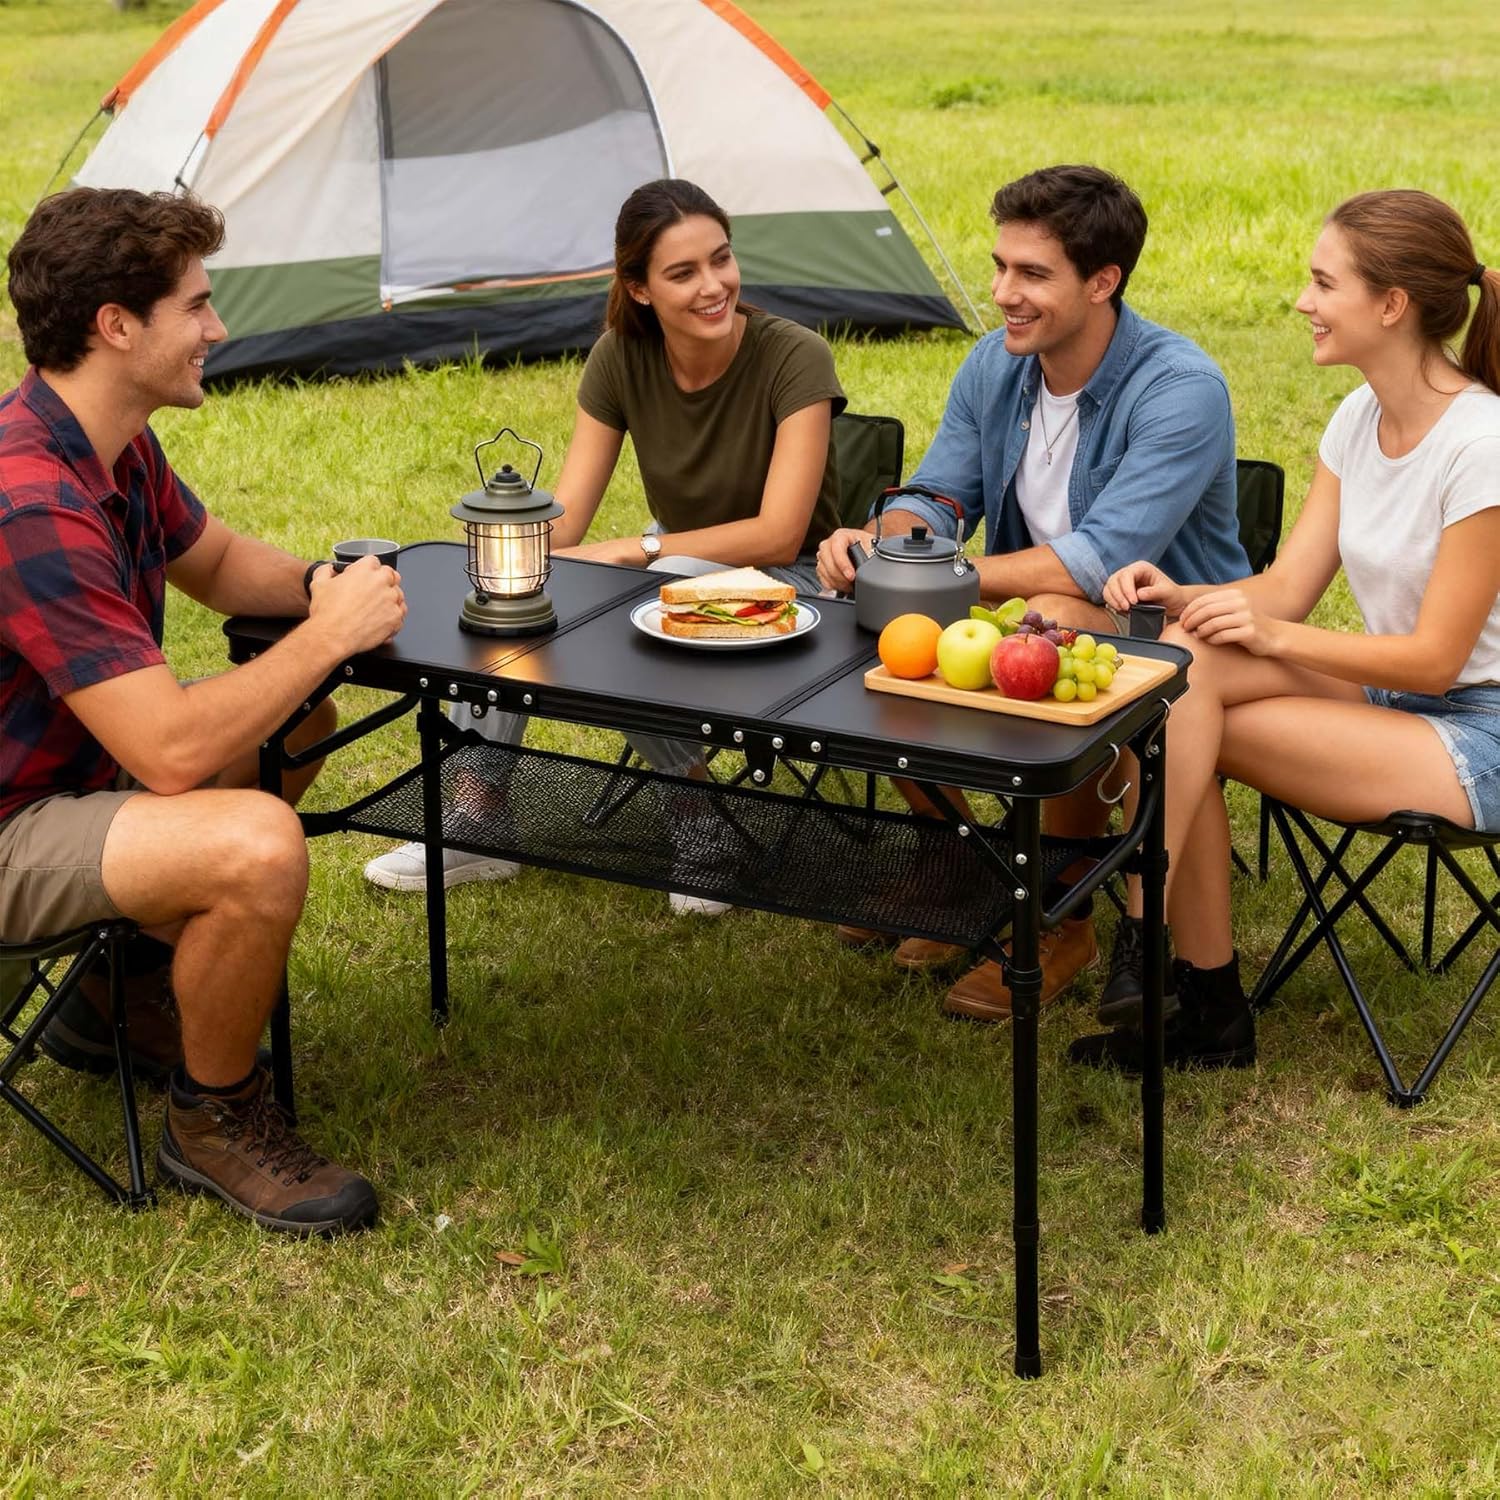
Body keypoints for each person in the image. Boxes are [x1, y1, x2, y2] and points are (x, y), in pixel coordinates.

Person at [0, 188, 407, 1235]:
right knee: (255, 846)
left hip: (68, 786)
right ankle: (211, 1121)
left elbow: (219, 564)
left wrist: (326, 583)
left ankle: (115, 992)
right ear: (117, 326)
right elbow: (173, 753)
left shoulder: (111, 442)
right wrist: (331, 635)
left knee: (296, 718)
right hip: (9, 828)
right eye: (197, 305)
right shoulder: (30, 500)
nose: (216, 329)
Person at [1069, 189, 1500, 1073]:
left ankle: (1158, 949)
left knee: (1188, 701)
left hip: (1481, 731)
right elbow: (1285, 590)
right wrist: (1183, 594)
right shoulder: (1355, 420)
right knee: (1182, 675)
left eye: (1321, 282)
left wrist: (1268, 640)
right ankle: (1196, 992)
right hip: (1399, 702)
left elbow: (1434, 659)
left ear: (1392, 305)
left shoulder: (1481, 444)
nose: (1302, 302)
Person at [815, 164, 1248, 1021]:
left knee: (1060, 619)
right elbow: (939, 493)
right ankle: (967, 867)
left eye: (1032, 275)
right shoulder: (995, 365)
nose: (1002, 293)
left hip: (1180, 633)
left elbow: (1101, 560)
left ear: (1103, 281)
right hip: (1028, 620)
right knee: (875, 621)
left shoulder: (1178, 389)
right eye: (1000, 266)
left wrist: (935, 575)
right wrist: (888, 540)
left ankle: (1062, 919)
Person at [363, 178, 846, 914]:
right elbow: (567, 519)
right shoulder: (621, 355)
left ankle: (699, 824)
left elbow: (779, 531)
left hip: (801, 587)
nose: (713, 285)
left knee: (649, 591)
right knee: (517, 587)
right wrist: (510, 551)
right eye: (683, 273)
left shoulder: (794, 356)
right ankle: (478, 811)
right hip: (679, 571)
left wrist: (639, 553)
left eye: (720, 259)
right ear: (640, 287)